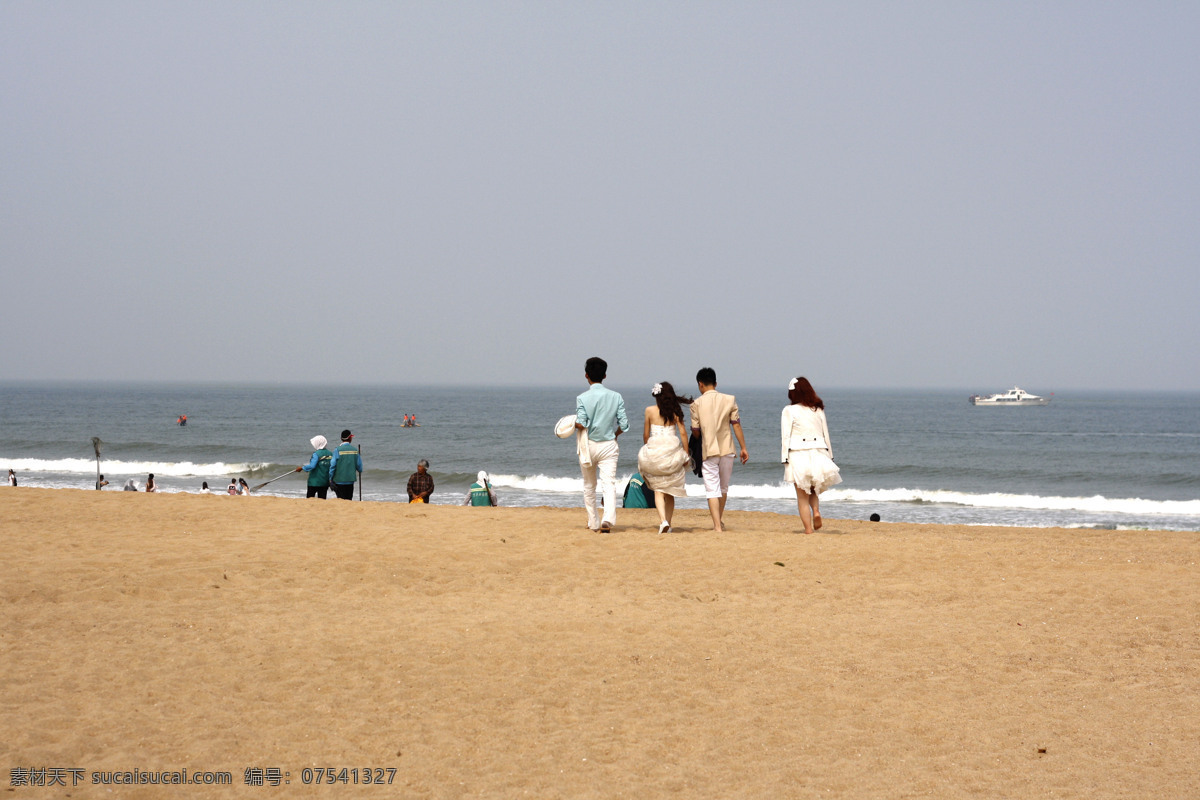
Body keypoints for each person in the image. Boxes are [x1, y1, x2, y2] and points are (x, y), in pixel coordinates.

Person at [690, 367, 749, 532]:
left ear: (700, 384)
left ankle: (717, 526)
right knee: (723, 488)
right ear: (715, 383)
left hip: (709, 450)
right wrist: (743, 447)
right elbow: (736, 425)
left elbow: (695, 431)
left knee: (712, 489)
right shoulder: (730, 400)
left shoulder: (696, 404)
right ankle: (720, 520)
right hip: (727, 449)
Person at [781, 377, 842, 534]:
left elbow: (785, 436)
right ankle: (816, 511)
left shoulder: (789, 410)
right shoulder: (817, 409)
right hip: (819, 451)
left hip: (798, 453)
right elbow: (825, 433)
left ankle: (808, 530)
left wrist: (784, 458)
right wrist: (830, 455)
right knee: (814, 490)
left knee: (802, 496)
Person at [575, 356, 629, 532]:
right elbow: (625, 424)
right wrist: (615, 434)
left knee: (589, 485)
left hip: (588, 445)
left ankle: (593, 522)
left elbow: (582, 423)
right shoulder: (616, 396)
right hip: (608, 444)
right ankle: (608, 519)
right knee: (609, 483)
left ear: (586, 375)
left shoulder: (582, 398)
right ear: (605, 376)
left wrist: (572, 424)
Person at [637, 382, 693, 533]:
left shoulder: (649, 410)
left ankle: (663, 521)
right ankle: (668, 523)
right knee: (670, 490)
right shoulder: (675, 411)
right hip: (671, 452)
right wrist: (686, 454)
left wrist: (648, 449)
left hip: (655, 450)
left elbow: (645, 434)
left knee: (658, 490)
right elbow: (682, 433)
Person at [328, 429, 362, 500]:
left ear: (341, 439)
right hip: (350, 480)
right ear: (350, 438)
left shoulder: (337, 450)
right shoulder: (355, 450)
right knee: (349, 499)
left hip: (339, 480)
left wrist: (330, 478)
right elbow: (359, 467)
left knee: (340, 500)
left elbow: (333, 465)